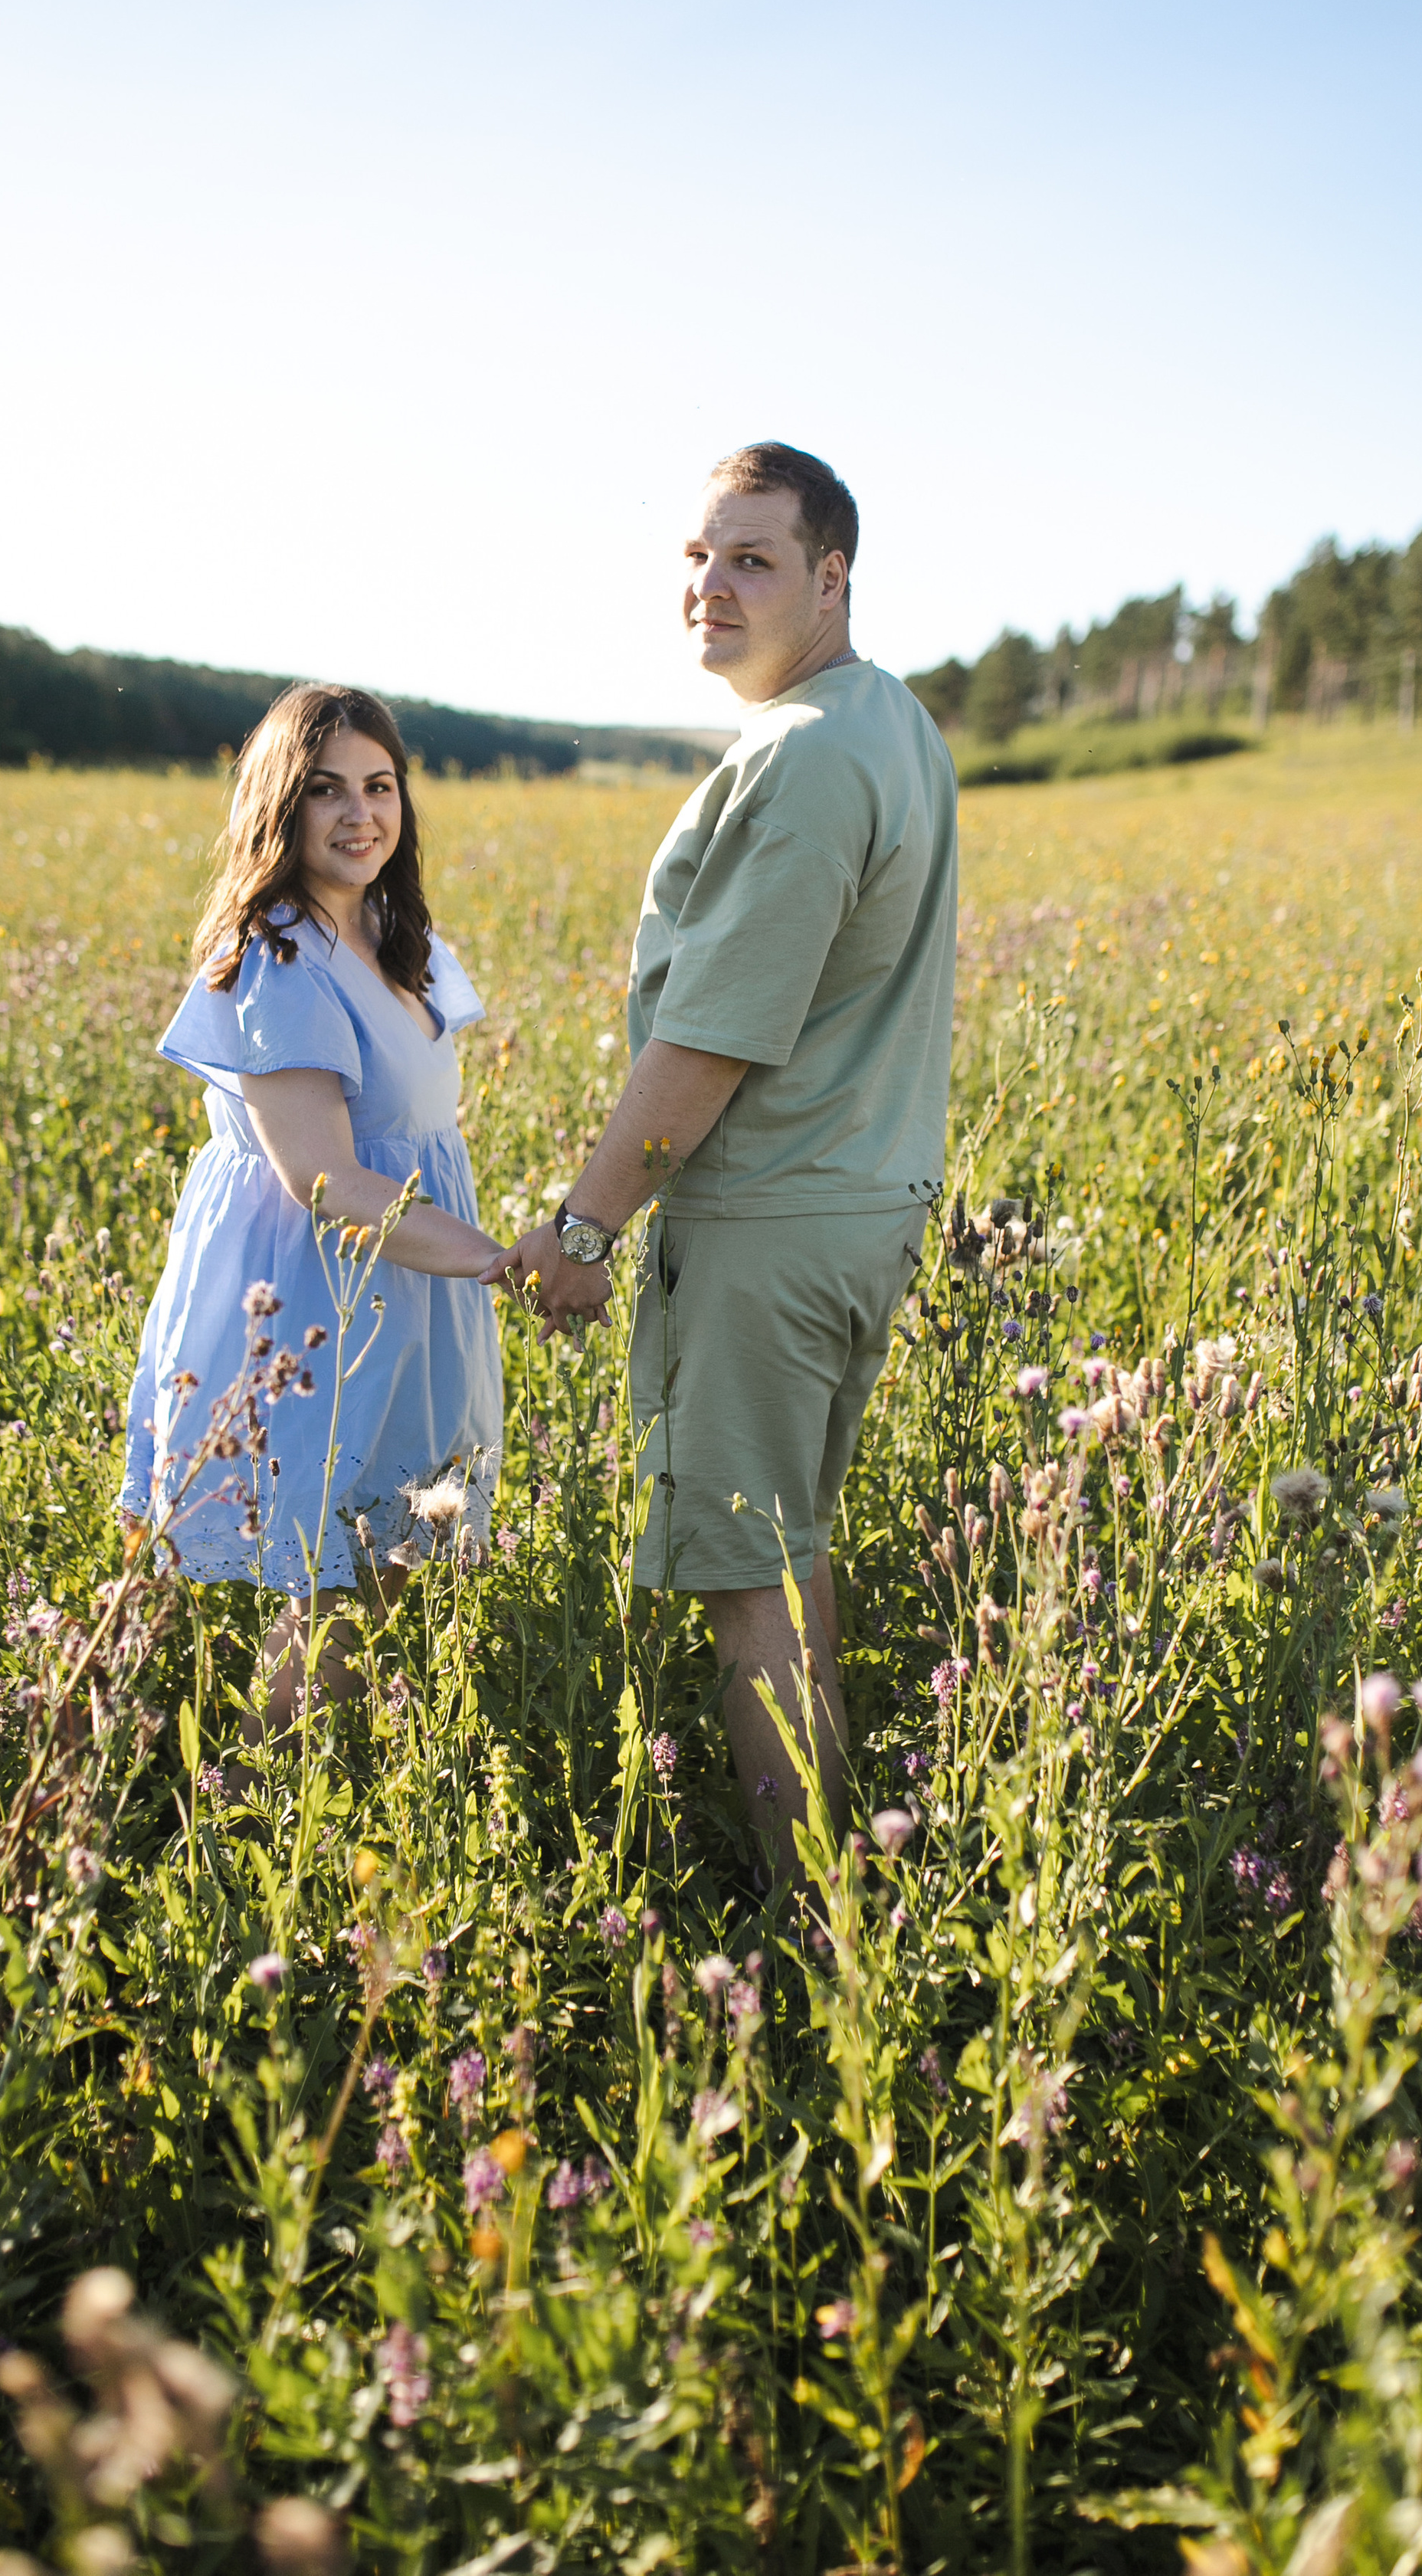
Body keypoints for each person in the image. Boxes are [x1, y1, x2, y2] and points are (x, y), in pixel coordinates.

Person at [484, 443, 958, 1875]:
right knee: (790, 1549)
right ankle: (846, 1875)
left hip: (767, 1223)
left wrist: (583, 1228)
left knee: (745, 1580)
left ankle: (811, 1937)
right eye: (698, 556)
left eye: (750, 560)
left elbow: (712, 1043)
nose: (709, 586)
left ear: (832, 578)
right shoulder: (885, 723)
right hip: (856, 1201)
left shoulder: (810, 757)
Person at [121, 683, 505, 1729]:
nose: (359, 814)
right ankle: (235, 1799)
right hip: (310, 1298)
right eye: (325, 790)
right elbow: (328, 1184)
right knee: (332, 1567)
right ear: (276, 807)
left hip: (406, 1279)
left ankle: (297, 1792)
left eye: (380, 787)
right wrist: (498, 1263)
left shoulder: (390, 932)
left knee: (382, 1562)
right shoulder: (279, 955)